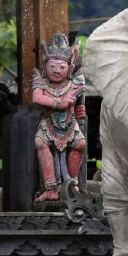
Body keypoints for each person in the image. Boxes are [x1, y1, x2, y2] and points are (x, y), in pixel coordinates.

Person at [32, 33, 87, 202]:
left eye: (61, 67)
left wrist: (78, 110)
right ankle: (51, 188)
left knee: (80, 144)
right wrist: (58, 103)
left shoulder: (74, 82)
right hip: (48, 123)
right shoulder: (41, 82)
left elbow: (78, 99)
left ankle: (72, 184)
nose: (56, 70)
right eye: (52, 66)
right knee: (40, 143)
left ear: (69, 68)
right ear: (45, 66)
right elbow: (37, 98)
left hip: (69, 123)